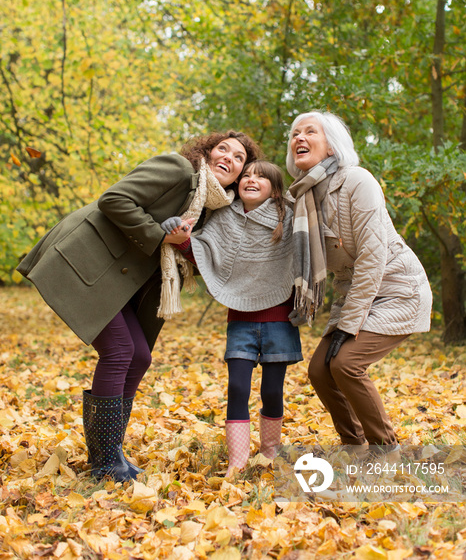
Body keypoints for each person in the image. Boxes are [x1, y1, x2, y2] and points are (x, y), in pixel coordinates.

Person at [17, 131, 261, 482]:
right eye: (223, 149)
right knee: (119, 351)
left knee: (140, 356)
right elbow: (114, 199)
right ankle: (104, 463)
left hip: (118, 279)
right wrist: (161, 235)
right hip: (87, 259)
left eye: (239, 158)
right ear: (206, 154)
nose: (230, 158)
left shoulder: (209, 208)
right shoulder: (178, 169)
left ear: (241, 173)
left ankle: (110, 451)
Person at [286, 111, 432, 460]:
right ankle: (354, 445)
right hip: (354, 293)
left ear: (332, 145)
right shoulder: (303, 197)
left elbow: (372, 258)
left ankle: (386, 449)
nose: (299, 138)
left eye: (310, 131)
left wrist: (347, 325)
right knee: (319, 370)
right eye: (294, 134)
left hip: (397, 289)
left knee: (345, 364)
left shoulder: (357, 181)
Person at [162, 161, 302, 476]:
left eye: (261, 177)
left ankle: (268, 453)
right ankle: (237, 462)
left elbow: (308, 253)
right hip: (240, 318)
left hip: (280, 317)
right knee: (237, 387)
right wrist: (182, 239)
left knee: (271, 391)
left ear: (275, 188)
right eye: (247, 175)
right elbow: (203, 250)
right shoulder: (224, 216)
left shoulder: (289, 217)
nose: (251, 179)